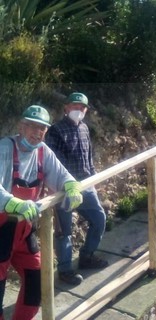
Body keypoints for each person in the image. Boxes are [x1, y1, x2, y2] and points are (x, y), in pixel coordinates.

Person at [0, 105, 83, 320]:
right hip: (1, 229)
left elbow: (61, 175)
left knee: (37, 282)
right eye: (33, 127)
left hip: (25, 231)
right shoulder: (5, 149)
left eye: (42, 129)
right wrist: (13, 203)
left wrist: (72, 186)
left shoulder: (43, 151)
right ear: (21, 126)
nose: (38, 133)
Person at [45, 92, 108, 286]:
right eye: (74, 106)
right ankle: (65, 270)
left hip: (86, 185)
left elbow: (88, 156)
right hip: (63, 189)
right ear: (66, 108)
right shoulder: (55, 130)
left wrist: (94, 179)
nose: (78, 110)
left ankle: (86, 256)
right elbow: (53, 162)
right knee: (65, 232)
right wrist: (62, 185)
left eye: (82, 108)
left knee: (99, 219)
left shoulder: (85, 129)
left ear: (86, 110)